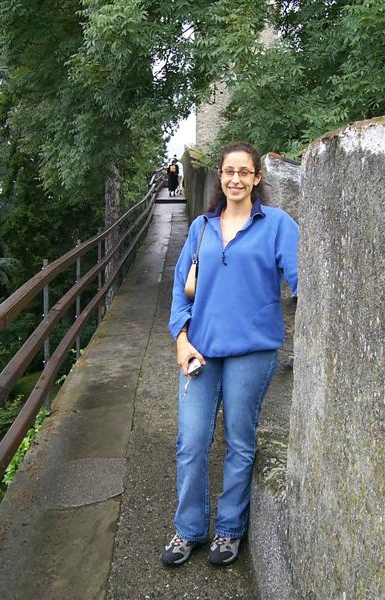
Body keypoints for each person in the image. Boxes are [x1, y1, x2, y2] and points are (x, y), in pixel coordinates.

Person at [161, 142, 298, 567]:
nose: (235, 179)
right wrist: (182, 340)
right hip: (200, 350)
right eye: (228, 171)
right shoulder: (201, 228)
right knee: (191, 442)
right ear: (219, 176)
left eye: (245, 172)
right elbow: (180, 291)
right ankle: (188, 530)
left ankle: (229, 529)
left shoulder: (277, 224)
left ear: (258, 177)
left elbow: (304, 281)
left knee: (239, 441)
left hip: (252, 353)